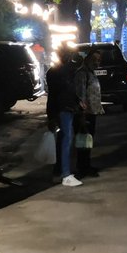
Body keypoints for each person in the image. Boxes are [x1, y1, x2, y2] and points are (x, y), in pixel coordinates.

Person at [45, 43, 83, 187]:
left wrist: (50, 115)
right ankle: (66, 174)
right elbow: (70, 90)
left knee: (61, 140)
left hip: (58, 108)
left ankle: (58, 171)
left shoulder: (52, 71)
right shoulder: (66, 71)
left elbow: (52, 95)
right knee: (66, 140)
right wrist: (78, 102)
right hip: (64, 108)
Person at [74, 48, 105, 177]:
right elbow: (80, 95)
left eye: (98, 60)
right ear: (87, 59)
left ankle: (86, 166)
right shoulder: (82, 74)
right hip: (85, 113)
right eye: (94, 60)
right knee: (83, 141)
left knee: (88, 141)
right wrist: (82, 114)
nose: (97, 63)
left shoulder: (91, 73)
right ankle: (82, 168)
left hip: (92, 112)